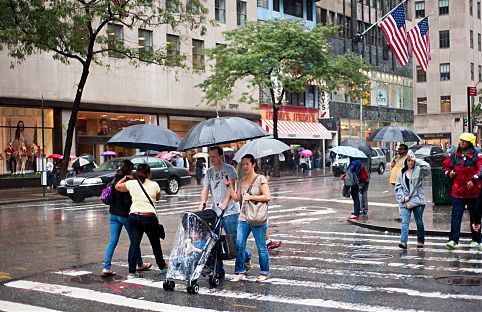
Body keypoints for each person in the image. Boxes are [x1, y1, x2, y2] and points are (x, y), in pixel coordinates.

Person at [115, 164, 168, 279]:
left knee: (134, 244)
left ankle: (131, 273)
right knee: (155, 243)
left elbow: (117, 186)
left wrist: (127, 178)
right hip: (149, 217)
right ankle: (162, 266)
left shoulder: (131, 183)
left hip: (134, 217)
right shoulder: (154, 185)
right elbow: (157, 197)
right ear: (149, 173)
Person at [226, 154, 271, 281]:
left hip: (257, 217)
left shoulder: (260, 178)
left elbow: (267, 196)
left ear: (253, 165)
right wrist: (230, 186)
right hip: (244, 217)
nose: (244, 166)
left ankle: (264, 272)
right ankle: (240, 271)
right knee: (239, 244)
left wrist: (251, 197)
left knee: (261, 246)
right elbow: (236, 198)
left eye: (247, 164)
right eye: (243, 164)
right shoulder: (241, 180)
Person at [101, 160, 150, 276]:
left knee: (112, 241)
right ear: (129, 170)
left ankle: (106, 268)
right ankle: (139, 264)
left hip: (113, 214)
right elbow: (129, 199)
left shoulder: (115, 179)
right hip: (125, 215)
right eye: (132, 169)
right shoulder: (128, 182)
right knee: (134, 240)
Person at [199, 146, 239, 281]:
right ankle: (219, 271)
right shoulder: (209, 172)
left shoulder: (229, 169)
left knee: (233, 240)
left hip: (230, 211)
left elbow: (231, 188)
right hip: (215, 212)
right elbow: (205, 188)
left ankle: (245, 258)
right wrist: (203, 202)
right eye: (210, 156)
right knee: (214, 241)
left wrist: (225, 204)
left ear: (221, 156)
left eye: (214, 156)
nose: (212, 159)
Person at [444, 133, 482, 249]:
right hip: (457, 192)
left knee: (475, 216)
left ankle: (476, 239)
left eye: (464, 141)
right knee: (456, 216)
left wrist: (474, 180)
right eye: (461, 140)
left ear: (470, 143)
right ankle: (453, 240)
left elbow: (481, 169)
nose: (462, 142)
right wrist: (449, 173)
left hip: (474, 193)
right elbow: (445, 167)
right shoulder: (453, 154)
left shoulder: (477, 155)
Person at [394, 152, 431, 249]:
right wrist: (403, 197)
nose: (410, 162)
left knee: (419, 221)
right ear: (406, 161)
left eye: (412, 161)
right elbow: (398, 187)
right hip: (405, 201)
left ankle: (420, 240)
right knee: (405, 222)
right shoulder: (401, 173)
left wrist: (416, 160)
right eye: (408, 160)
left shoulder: (419, 170)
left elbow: (427, 168)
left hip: (417, 200)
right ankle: (403, 242)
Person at [390, 144, 409, 222]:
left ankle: (403, 216)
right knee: (399, 199)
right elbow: (392, 167)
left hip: (401, 181)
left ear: (405, 150)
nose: (399, 150)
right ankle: (402, 215)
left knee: (402, 199)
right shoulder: (397, 158)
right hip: (395, 181)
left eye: (401, 149)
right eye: (399, 149)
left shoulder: (406, 159)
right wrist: (393, 163)